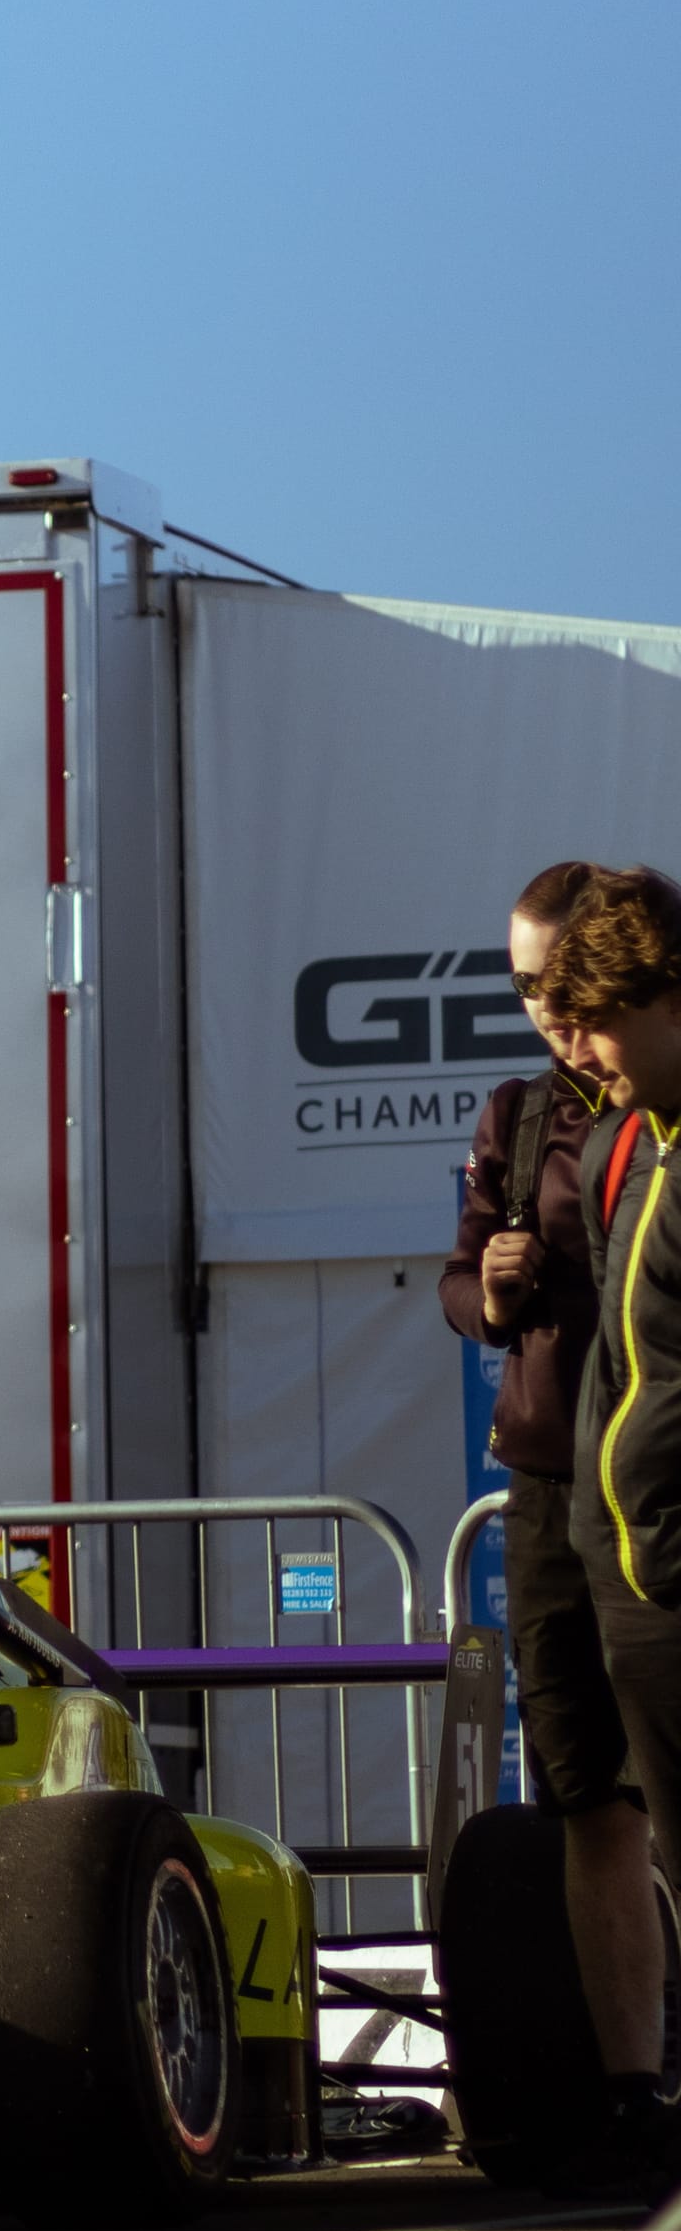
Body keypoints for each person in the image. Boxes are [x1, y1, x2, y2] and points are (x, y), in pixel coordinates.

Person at [438, 862, 663, 2145]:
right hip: (547, 1485)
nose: (544, 1012)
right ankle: (631, 2091)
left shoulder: (656, 1113)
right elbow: (457, 1283)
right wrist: (494, 1289)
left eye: (562, 984)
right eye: (524, 986)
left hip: (655, 1494)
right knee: (587, 1796)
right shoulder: (517, 1114)